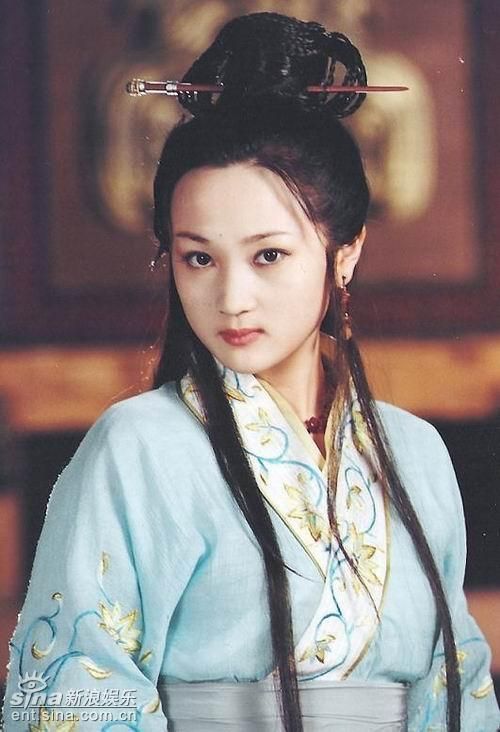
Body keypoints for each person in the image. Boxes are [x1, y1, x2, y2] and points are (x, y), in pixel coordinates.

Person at [2, 11, 499, 732]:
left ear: (345, 253)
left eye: (269, 255)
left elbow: (459, 689)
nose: (231, 297)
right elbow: (72, 690)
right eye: (198, 258)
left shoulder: (415, 453)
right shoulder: (137, 446)